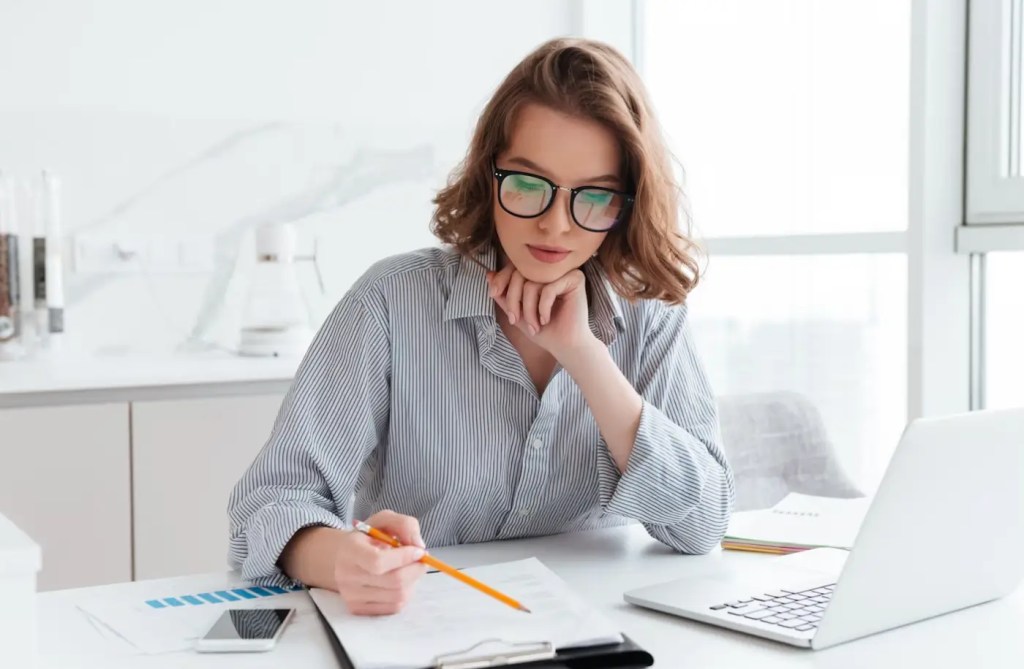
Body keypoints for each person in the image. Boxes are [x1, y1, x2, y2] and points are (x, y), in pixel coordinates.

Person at [228, 37, 734, 616]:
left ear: (627, 201)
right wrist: (342, 559)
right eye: (527, 184)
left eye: (593, 197)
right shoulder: (392, 301)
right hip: (421, 632)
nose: (555, 225)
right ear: (488, 174)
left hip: (598, 633)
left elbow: (703, 523)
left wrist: (584, 355)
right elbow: (266, 506)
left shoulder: (650, 314)